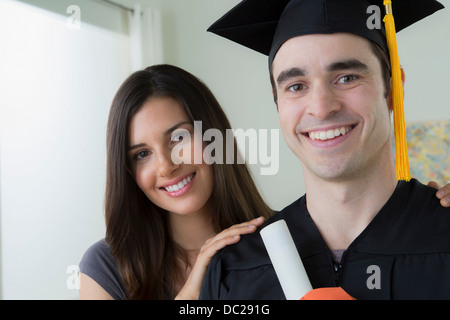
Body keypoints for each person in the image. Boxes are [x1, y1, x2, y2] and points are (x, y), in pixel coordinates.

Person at [200, 0, 450, 299]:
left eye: (347, 78)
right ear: (277, 102)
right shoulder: (235, 269)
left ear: (393, 90)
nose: (321, 107)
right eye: (296, 86)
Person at [79, 64, 272, 300]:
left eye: (178, 138)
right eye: (142, 154)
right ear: (128, 172)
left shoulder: (287, 240)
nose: (166, 166)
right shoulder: (105, 267)